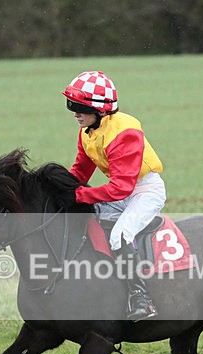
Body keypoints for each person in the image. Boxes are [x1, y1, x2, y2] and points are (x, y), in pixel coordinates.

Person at [60, 71, 166, 321]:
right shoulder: (88, 131)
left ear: (101, 111)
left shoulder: (124, 132)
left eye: (79, 107)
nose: (74, 112)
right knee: (82, 216)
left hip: (144, 192)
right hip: (122, 191)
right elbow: (80, 171)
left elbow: (120, 188)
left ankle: (143, 299)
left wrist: (81, 195)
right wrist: (60, 192)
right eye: (71, 106)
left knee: (120, 235)